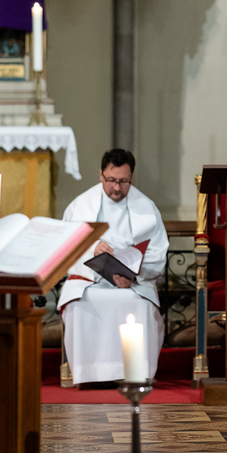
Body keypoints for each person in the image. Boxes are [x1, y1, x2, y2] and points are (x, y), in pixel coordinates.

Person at [58, 148, 169, 386]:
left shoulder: (146, 207)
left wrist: (135, 276)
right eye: (111, 180)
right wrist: (92, 248)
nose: (116, 188)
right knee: (81, 302)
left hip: (132, 284)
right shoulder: (80, 206)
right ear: (100, 174)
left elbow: (157, 253)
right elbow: (64, 247)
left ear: (132, 178)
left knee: (140, 304)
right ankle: (89, 374)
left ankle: (134, 373)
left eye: (123, 182)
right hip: (90, 280)